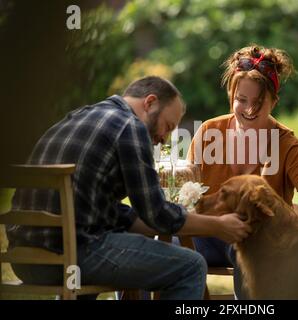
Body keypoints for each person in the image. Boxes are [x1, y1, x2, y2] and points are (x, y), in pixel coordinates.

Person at [7, 76, 251, 300]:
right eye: (168, 126)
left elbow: (99, 209)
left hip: (25, 260)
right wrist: (218, 226)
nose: (164, 139)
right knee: (191, 266)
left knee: (106, 243)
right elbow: (158, 215)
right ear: (150, 103)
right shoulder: (129, 126)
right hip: (75, 257)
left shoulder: (74, 118)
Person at [187, 45, 298, 298]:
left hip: (256, 238)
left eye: (259, 102)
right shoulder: (210, 132)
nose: (249, 109)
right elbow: (188, 184)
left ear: (274, 101)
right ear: (231, 96)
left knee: (252, 247)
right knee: (156, 249)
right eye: (241, 100)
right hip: (205, 234)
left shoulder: (286, 142)